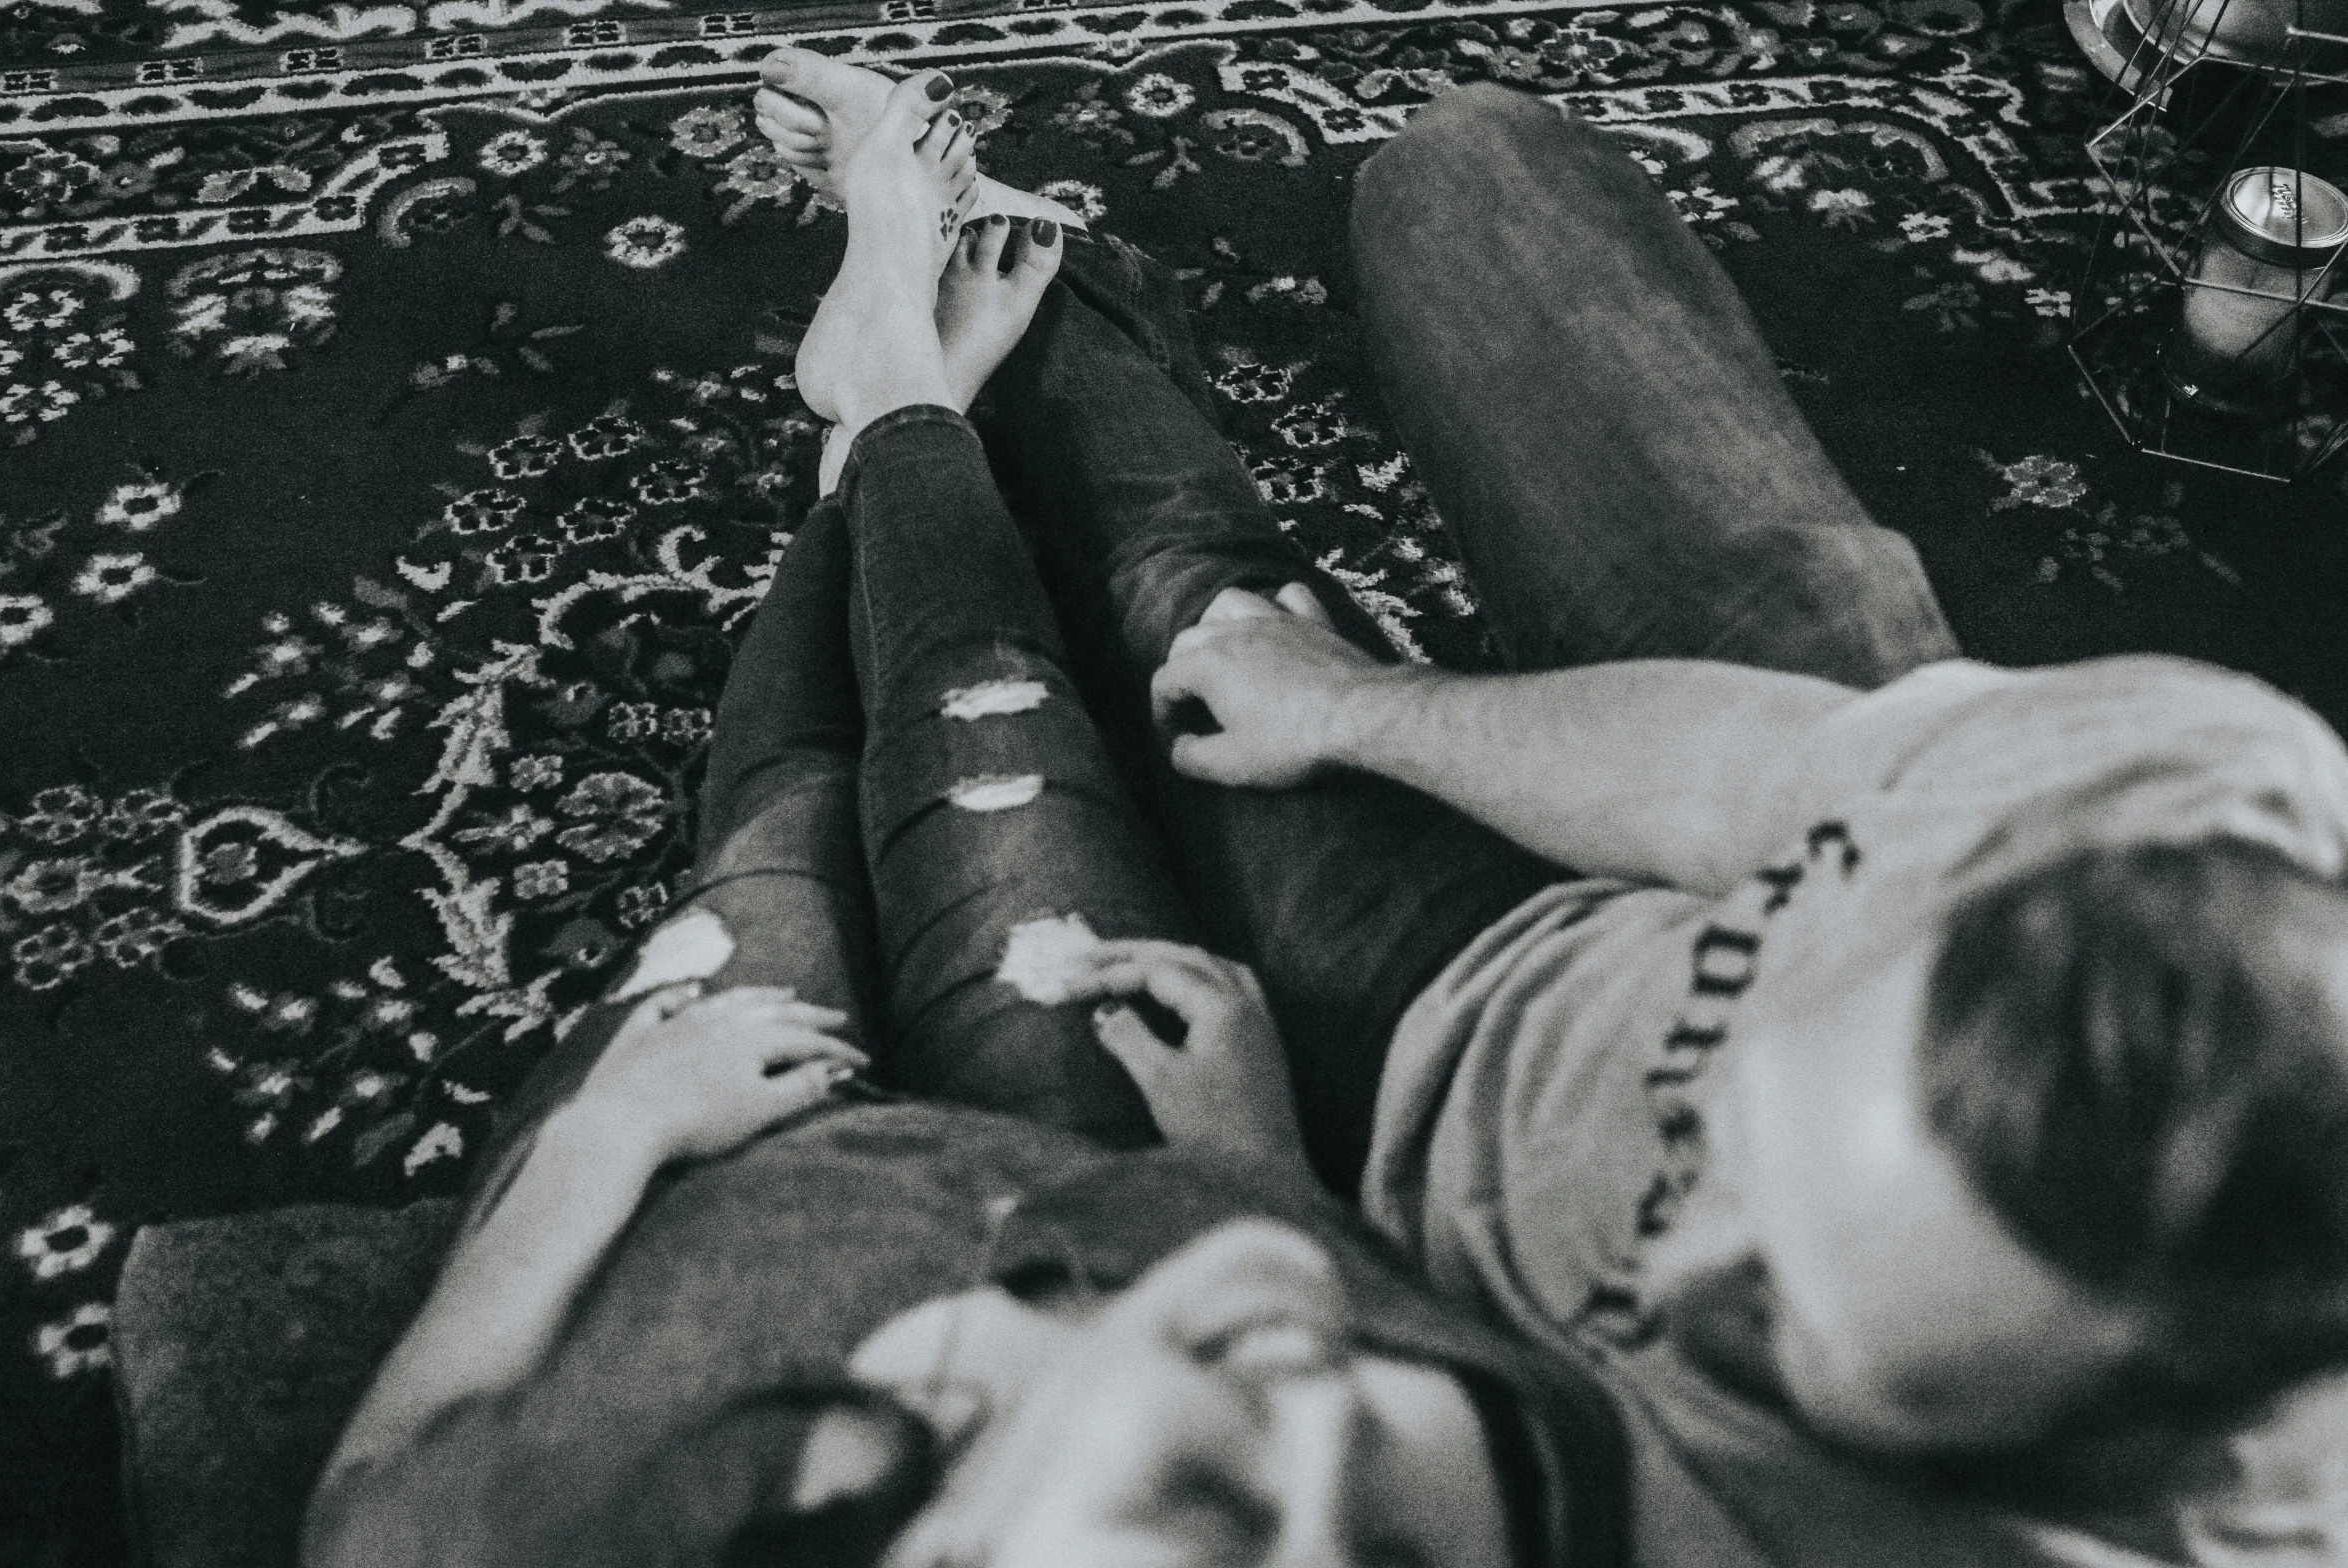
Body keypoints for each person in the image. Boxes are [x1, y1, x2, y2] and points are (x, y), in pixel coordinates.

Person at [747, 50, 2348, 1567]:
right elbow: (1749, 782)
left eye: (1777, 1320)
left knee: (1085, 688)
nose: (1676, 1247)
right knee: (1426, 246)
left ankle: (909, 378)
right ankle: (939, 349)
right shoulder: (2192, 808)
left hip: (1397, 1188)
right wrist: (1360, 708)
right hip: (1595, 927)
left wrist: (1279, 1202)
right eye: (1743, 1095)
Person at [293, 72, 1627, 1568]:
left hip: (712, 1186)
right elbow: (1319, 1332)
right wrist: (1257, 1178)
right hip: (1103, 1191)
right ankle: (889, 407)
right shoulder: (1326, 1351)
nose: (1312, 1338)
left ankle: (880, 415)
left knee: (791, 818)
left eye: (1228, 1517)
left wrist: (608, 1138)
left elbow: (376, 1497)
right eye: (1406, 1548)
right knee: (990, 740)